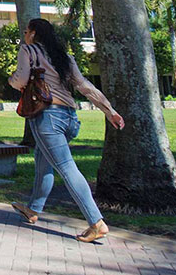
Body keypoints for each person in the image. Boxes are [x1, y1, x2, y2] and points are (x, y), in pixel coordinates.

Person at [8, 18, 125, 243]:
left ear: (32, 33)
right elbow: (84, 86)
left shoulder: (28, 49)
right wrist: (109, 110)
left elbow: (21, 79)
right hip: (70, 118)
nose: (24, 35)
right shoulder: (64, 57)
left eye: (26, 31)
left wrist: (13, 81)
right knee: (43, 160)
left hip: (47, 117)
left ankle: (96, 222)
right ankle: (33, 209)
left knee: (66, 168)